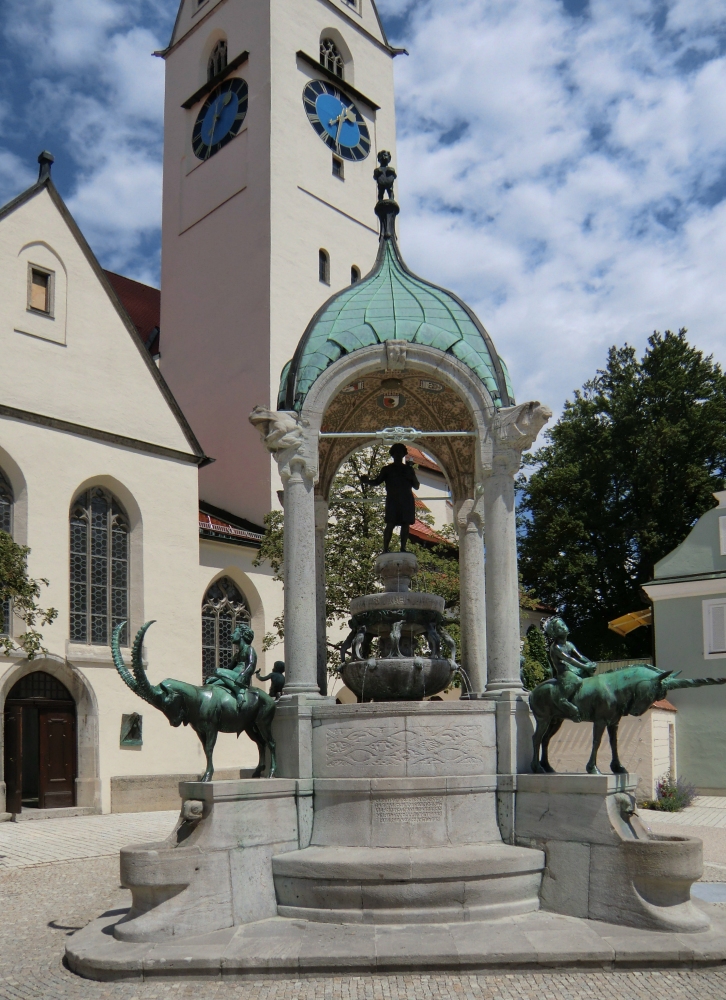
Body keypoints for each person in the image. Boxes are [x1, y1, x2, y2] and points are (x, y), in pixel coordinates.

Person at [361, 443, 420, 552]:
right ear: (392, 454)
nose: (398, 454)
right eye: (396, 452)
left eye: (400, 452)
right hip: (393, 500)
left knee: (405, 524)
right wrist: (367, 481)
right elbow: (377, 481)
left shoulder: (409, 469)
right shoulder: (387, 469)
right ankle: (385, 549)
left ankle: (403, 548)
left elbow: (416, 486)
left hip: (406, 500)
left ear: (403, 454)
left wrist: (411, 476)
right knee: (390, 523)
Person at [540, 616, 597, 722]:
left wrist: (589, 663)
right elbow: (569, 659)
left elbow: (579, 657)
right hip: (564, 672)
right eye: (559, 627)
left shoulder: (569, 644)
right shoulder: (556, 647)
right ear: (555, 633)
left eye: (563, 624)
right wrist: (585, 666)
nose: (563, 627)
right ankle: (563, 700)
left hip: (573, 669)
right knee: (576, 680)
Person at [205, 623, 258, 711]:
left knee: (217, 670)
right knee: (211, 684)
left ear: (241, 634)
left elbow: (251, 664)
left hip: (240, 678)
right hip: (232, 677)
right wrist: (214, 678)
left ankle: (239, 691)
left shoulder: (249, 649)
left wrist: (242, 676)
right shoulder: (237, 654)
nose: (231, 635)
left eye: (234, 632)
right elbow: (228, 670)